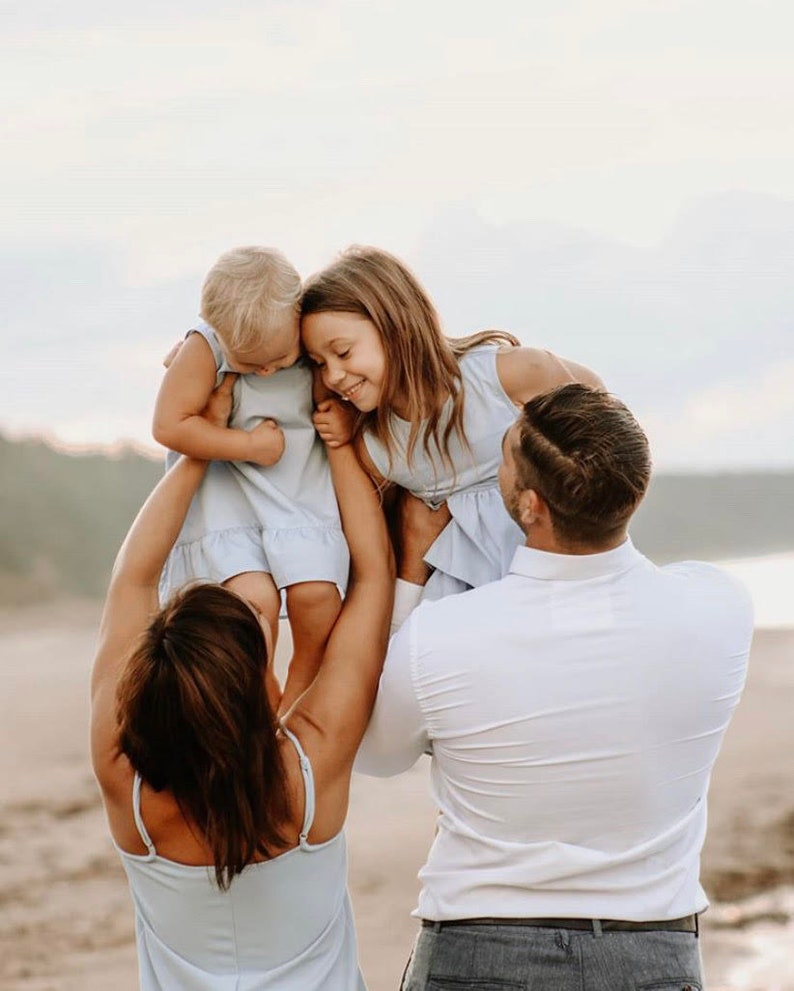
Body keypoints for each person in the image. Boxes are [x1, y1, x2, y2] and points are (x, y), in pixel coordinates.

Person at [356, 383, 754, 990]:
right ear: (635, 488)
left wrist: (410, 569)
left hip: (478, 951)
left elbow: (379, 755)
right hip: (650, 956)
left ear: (532, 506)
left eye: (503, 457)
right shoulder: (719, 605)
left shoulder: (443, 633)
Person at [91, 372, 393, 990]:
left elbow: (133, 582)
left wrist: (200, 447)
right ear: (265, 692)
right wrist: (337, 446)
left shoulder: (128, 784)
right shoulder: (311, 769)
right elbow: (374, 577)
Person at [301, 245, 603, 603]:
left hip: (552, 574)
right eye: (319, 363)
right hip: (455, 600)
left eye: (343, 352)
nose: (333, 375)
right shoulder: (377, 450)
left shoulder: (503, 376)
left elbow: (606, 418)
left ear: (395, 325)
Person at [153, 246, 348, 711]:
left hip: (298, 487)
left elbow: (343, 392)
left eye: (278, 359)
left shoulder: (310, 331)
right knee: (250, 602)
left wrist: (342, 419)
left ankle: (301, 688)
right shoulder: (206, 346)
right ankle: (260, 691)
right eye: (248, 362)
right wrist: (246, 447)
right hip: (226, 491)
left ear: (298, 317)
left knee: (316, 594)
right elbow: (169, 425)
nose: (264, 371)